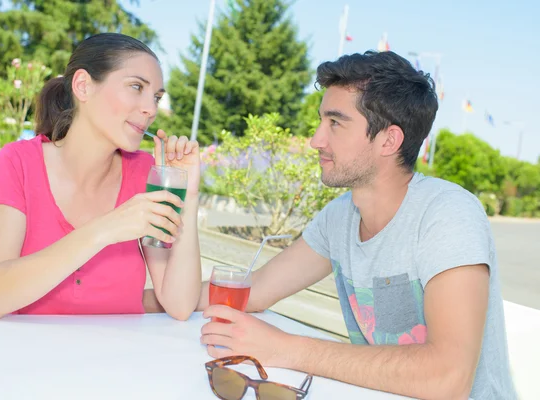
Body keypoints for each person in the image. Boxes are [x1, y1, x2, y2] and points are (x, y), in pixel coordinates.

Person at [198, 51, 516, 399]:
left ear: (388, 140)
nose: (316, 140)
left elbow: (448, 378)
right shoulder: (340, 217)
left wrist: (287, 348)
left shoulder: (448, 215)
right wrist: (137, 299)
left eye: (335, 123)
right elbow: (254, 290)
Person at [0, 33, 202, 321]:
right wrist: (105, 229)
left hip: (118, 361)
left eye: (156, 97)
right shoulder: (19, 162)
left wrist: (189, 194)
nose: (151, 109)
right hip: (29, 359)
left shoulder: (145, 174)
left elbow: (180, 305)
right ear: (83, 86)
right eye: (136, 87)